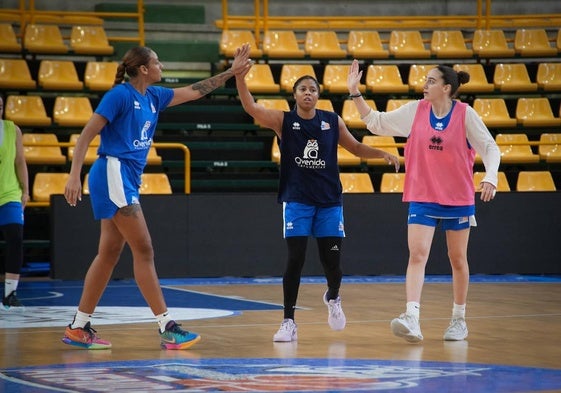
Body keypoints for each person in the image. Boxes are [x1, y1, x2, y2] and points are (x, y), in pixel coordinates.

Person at [62, 44, 253, 350]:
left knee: (109, 253)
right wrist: (73, 175)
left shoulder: (154, 96)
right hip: (112, 172)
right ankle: (167, 326)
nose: (161, 66)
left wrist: (231, 73)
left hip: (124, 179)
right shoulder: (120, 96)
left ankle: (79, 326)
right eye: (157, 62)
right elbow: (86, 134)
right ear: (143, 69)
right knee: (144, 248)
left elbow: (195, 91)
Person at [235, 66, 400, 342]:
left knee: (332, 263)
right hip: (298, 202)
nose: (308, 93)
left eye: (313, 89)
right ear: (294, 94)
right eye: (303, 89)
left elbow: (356, 148)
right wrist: (240, 77)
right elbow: (251, 107)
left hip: (329, 203)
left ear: (318, 96)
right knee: (295, 260)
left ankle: (333, 297)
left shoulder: (332, 121)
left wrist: (382, 153)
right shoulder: (283, 121)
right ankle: (288, 321)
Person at [347, 60, 501, 342]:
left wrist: (491, 176)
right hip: (422, 195)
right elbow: (377, 123)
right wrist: (355, 93)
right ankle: (412, 317)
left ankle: (458, 319)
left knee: (457, 259)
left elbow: (491, 148)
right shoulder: (415, 111)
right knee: (417, 254)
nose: (424, 85)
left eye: (431, 81)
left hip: (457, 197)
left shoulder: (465, 115)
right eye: (425, 80)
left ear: (446, 88)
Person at [0, 96, 29, 312]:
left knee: (16, 237)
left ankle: (10, 294)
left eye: (0, 106)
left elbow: (20, 161)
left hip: (9, 193)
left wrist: (25, 190)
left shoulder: (12, 130)